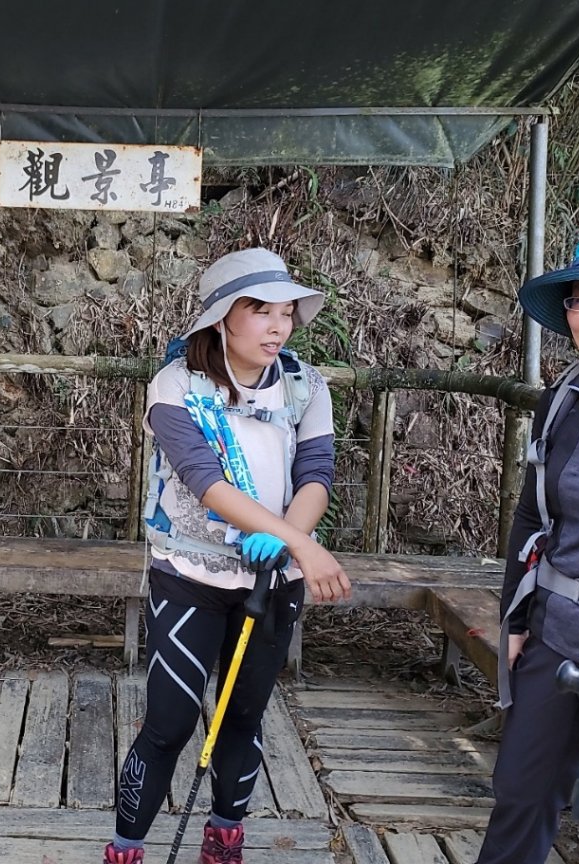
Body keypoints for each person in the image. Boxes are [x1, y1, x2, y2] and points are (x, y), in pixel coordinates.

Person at [103, 247, 352, 864]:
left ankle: (224, 839)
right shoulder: (176, 386)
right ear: (221, 318)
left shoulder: (305, 384)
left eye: (287, 313)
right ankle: (127, 846)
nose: (278, 326)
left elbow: (316, 472)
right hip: (192, 572)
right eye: (260, 310)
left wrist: (288, 541)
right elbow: (203, 480)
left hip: (273, 578)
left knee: (243, 716)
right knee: (169, 722)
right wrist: (302, 545)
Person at [477, 225, 579, 864]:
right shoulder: (565, 400)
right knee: (520, 798)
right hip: (557, 636)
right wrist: (518, 618)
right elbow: (532, 516)